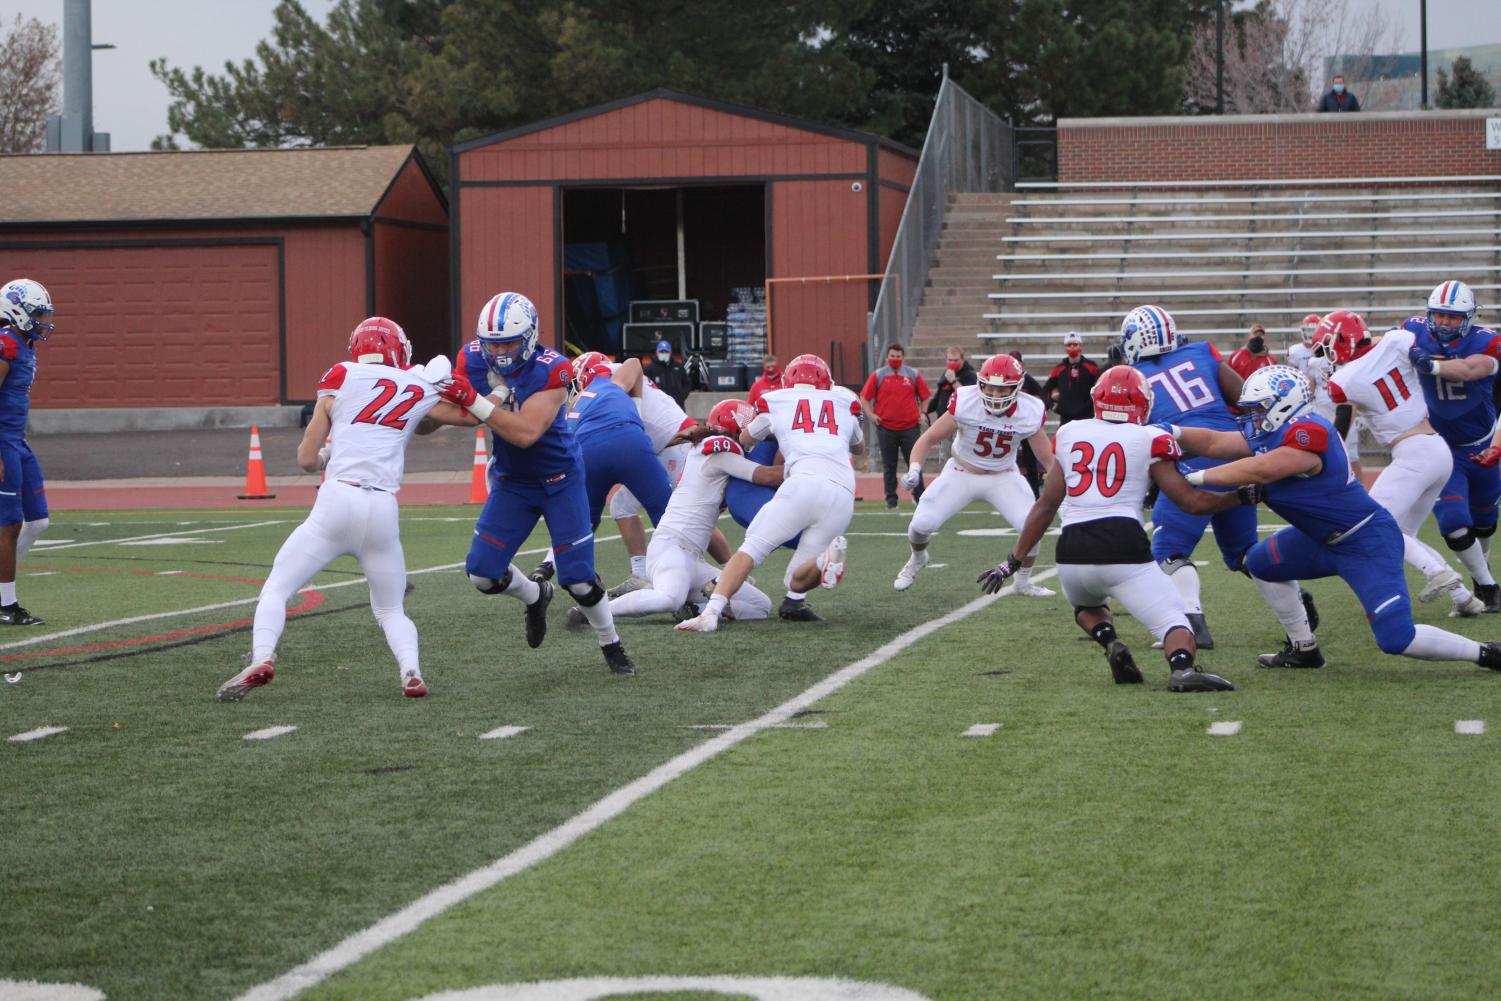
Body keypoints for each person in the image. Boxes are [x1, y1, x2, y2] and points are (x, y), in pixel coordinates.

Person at [1169, 365, 1501, 672]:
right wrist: (1169, 433)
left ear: (1283, 403)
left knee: (1397, 639)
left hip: (1364, 540)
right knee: (1260, 562)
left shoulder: (1309, 430)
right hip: (1317, 539)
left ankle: (1485, 652)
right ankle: (1304, 648)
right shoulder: (1269, 432)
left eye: (1259, 407)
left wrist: (1196, 478)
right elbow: (1213, 441)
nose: (1252, 416)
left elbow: (1264, 468)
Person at [216, 318, 452, 701]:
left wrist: (328, 453)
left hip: (337, 501)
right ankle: (411, 670)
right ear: (397, 349)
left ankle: (262, 656)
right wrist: (491, 396)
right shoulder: (416, 383)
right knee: (391, 609)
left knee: (277, 588)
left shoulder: (341, 377)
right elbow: (460, 417)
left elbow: (306, 459)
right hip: (382, 507)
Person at [976, 366, 1242, 693]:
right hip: (1121, 542)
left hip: (1071, 550)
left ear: (1096, 399)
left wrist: (1013, 562)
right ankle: (1183, 669)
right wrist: (1240, 496)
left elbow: (1045, 507)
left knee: (1087, 608)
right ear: (1143, 403)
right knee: (1174, 618)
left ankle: (1110, 641)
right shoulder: (1151, 438)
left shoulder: (1071, 433)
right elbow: (1191, 502)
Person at [440, 291, 637, 676]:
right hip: (514, 481)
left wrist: (476, 403)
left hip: (559, 478)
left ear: (530, 336)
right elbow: (445, 413)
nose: (499, 352)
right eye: (492, 343)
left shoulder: (553, 368)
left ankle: (610, 643)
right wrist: (422, 399)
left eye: (509, 342)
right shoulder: (471, 358)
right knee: (482, 573)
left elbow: (527, 432)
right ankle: (535, 594)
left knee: (579, 581)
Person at [1122, 305, 1316, 651]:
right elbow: (1245, 397)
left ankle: (1191, 622)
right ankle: (1297, 601)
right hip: (1237, 454)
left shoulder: (1131, 376)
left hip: (1189, 459)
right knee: (1244, 552)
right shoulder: (1201, 352)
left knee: (1168, 550)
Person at [677, 353, 861, 631]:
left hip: (803, 482)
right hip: (843, 494)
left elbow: (745, 438)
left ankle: (710, 613)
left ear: (788, 380)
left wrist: (776, 434)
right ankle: (824, 561)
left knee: (750, 549)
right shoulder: (844, 402)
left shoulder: (777, 401)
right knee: (796, 583)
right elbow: (859, 448)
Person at [1318, 310, 1483, 616]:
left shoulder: (1344, 379)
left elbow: (1341, 427)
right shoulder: (1397, 339)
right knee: (1404, 532)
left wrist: (1324, 456)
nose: (1326, 355)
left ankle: (1438, 572)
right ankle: (1464, 599)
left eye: (1326, 346)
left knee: (1378, 525)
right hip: (1437, 447)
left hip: (1413, 453)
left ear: (1341, 340)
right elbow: (1415, 355)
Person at [598, 399, 781, 624]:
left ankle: (696, 609)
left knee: (761, 606)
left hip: (694, 559)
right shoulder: (718, 452)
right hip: (671, 547)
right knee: (669, 599)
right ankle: (600, 611)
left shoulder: (709, 449)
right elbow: (767, 476)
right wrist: (805, 467)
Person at [893, 354, 1056, 595]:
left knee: (1031, 527)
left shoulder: (1029, 410)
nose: (995, 395)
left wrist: (1059, 484)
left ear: (1018, 388)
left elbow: (1047, 457)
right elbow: (929, 438)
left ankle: (1022, 582)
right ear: (981, 383)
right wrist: (915, 468)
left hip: (1004, 475)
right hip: (962, 471)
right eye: (990, 387)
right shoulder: (965, 400)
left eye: (1003, 390)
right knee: (920, 524)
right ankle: (918, 558)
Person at [1404, 279, 1501, 611]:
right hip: (1442, 449)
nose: (1445, 322)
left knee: (1485, 518)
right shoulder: (1412, 330)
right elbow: (1381, 344)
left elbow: (1470, 370)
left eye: (1454, 316)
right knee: (1453, 522)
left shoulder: (1487, 342)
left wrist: (1427, 363)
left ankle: (1481, 571)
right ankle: (1489, 589)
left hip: (1483, 444)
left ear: (1470, 317)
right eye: (1439, 314)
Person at [0, 278, 54, 626]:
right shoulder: (6, 344)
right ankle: (6, 605)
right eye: (36, 313)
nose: (43, 320)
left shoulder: (25, 343)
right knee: (9, 523)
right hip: (3, 442)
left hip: (17, 441)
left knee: (38, 521)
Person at [860, 342, 931, 508]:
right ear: (887, 357)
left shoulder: (913, 374)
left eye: (898, 356)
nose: (895, 359)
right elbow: (864, 397)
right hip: (886, 428)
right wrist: (871, 415)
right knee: (889, 465)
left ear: (903, 358)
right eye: (892, 356)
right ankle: (891, 500)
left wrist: (923, 413)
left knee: (914, 463)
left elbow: (926, 396)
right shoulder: (879, 375)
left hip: (910, 427)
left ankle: (919, 496)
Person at [1041, 332, 1100, 425]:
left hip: (1087, 418)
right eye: (1069, 345)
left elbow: (1099, 388)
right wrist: (1052, 405)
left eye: (1075, 344)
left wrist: (1089, 405)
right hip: (1066, 419)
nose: (1072, 347)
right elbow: (1045, 390)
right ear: (1065, 348)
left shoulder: (1092, 367)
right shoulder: (1059, 369)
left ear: (1081, 346)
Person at [926, 345, 977, 421]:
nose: (952, 363)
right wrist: (924, 412)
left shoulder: (970, 375)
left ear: (962, 360)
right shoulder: (947, 372)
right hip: (942, 418)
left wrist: (953, 381)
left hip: (959, 420)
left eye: (956, 360)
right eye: (950, 360)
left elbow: (967, 396)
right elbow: (937, 398)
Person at [643, 338, 691, 408]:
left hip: (677, 405)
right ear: (657, 352)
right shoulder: (649, 368)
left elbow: (687, 383)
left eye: (666, 352)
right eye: (661, 352)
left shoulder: (678, 367)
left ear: (670, 353)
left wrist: (681, 397)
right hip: (658, 406)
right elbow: (644, 386)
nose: (663, 353)